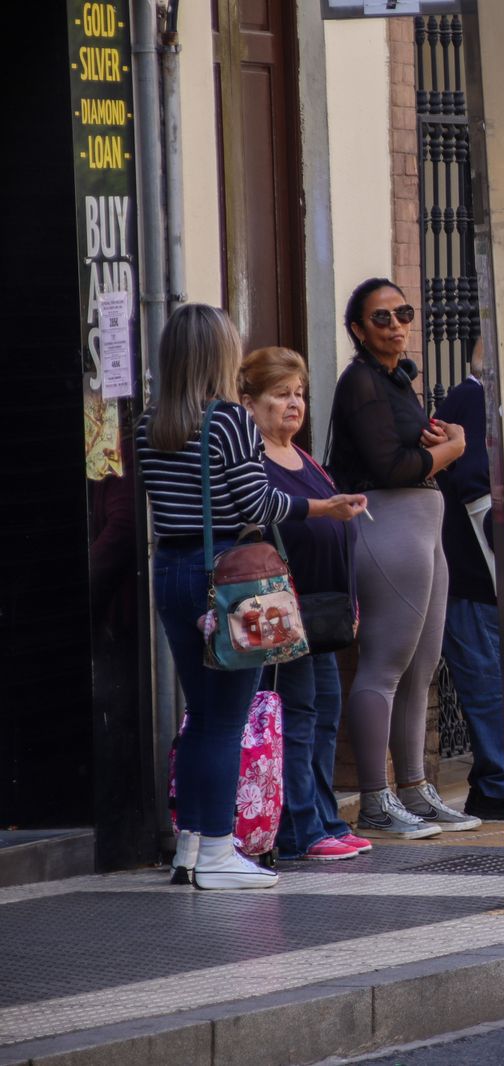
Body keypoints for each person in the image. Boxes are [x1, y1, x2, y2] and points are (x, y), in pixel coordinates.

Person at [137, 304, 367, 889]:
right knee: (224, 719)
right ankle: (217, 850)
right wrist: (323, 506)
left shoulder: (148, 423)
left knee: (200, 716)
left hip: (171, 570)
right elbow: (258, 506)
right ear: (220, 355)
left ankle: (189, 845)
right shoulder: (229, 421)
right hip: (229, 576)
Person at [327, 278, 479, 837]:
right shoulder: (361, 383)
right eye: (382, 318)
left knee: (422, 668)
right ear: (358, 330)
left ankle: (414, 788)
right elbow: (390, 467)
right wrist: (451, 449)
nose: (396, 326)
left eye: (403, 314)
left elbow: (412, 455)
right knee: (385, 666)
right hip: (387, 527)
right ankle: (374, 799)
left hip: (423, 528)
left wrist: (440, 446)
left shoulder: (397, 382)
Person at [240, 347, 373, 860]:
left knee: (323, 711)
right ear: (249, 402)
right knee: (297, 714)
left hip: (323, 611)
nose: (294, 404)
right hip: (282, 614)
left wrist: (353, 603)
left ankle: (325, 817)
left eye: (299, 394)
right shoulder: (253, 464)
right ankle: (300, 828)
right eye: (281, 395)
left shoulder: (306, 458)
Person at [434, 339, 504, 821]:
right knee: (489, 688)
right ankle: (499, 786)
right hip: (473, 578)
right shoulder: (472, 401)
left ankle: (497, 783)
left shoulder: (481, 403)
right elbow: (479, 498)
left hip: (480, 578)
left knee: (495, 685)